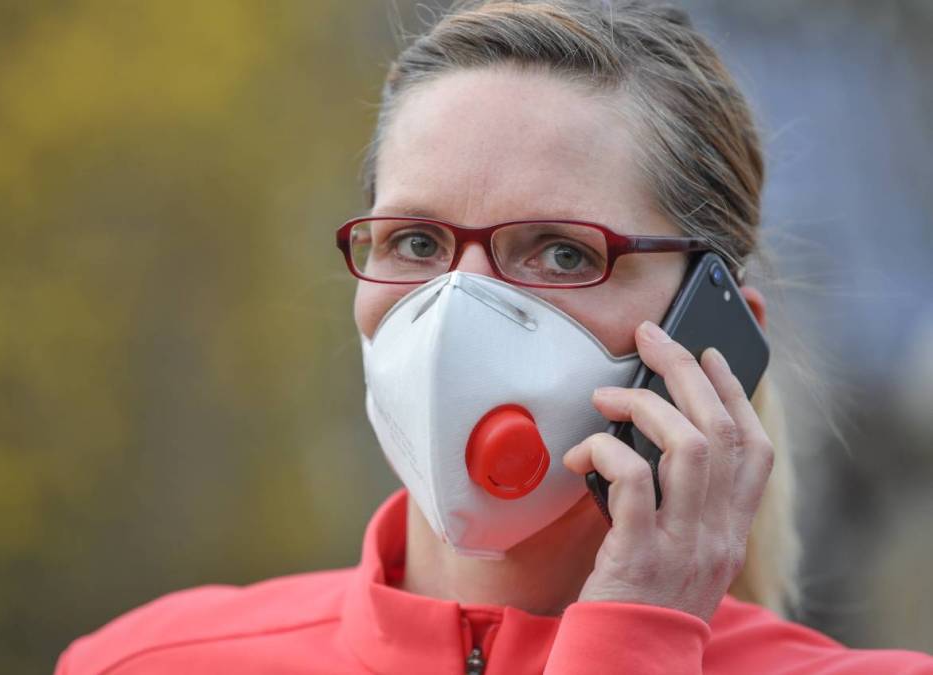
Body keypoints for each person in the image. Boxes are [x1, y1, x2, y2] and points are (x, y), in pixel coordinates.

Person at [55, 1, 933, 673]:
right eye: (415, 243)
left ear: (720, 336)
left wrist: (635, 632)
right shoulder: (148, 660)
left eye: (559, 252)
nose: (454, 313)